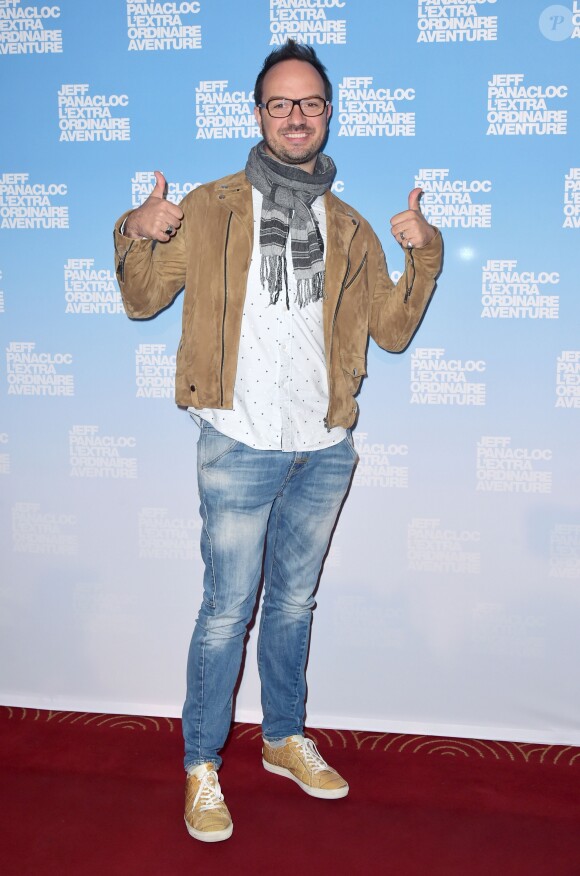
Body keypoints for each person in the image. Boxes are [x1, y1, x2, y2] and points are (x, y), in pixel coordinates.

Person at [114, 40, 442, 843]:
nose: (297, 117)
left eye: (311, 103)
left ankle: (284, 738)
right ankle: (201, 765)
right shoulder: (213, 204)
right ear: (258, 113)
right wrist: (136, 228)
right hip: (238, 440)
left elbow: (393, 334)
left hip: (323, 445)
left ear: (328, 114)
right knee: (228, 611)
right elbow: (141, 299)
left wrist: (423, 254)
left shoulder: (352, 226)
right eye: (280, 103)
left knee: (294, 603)